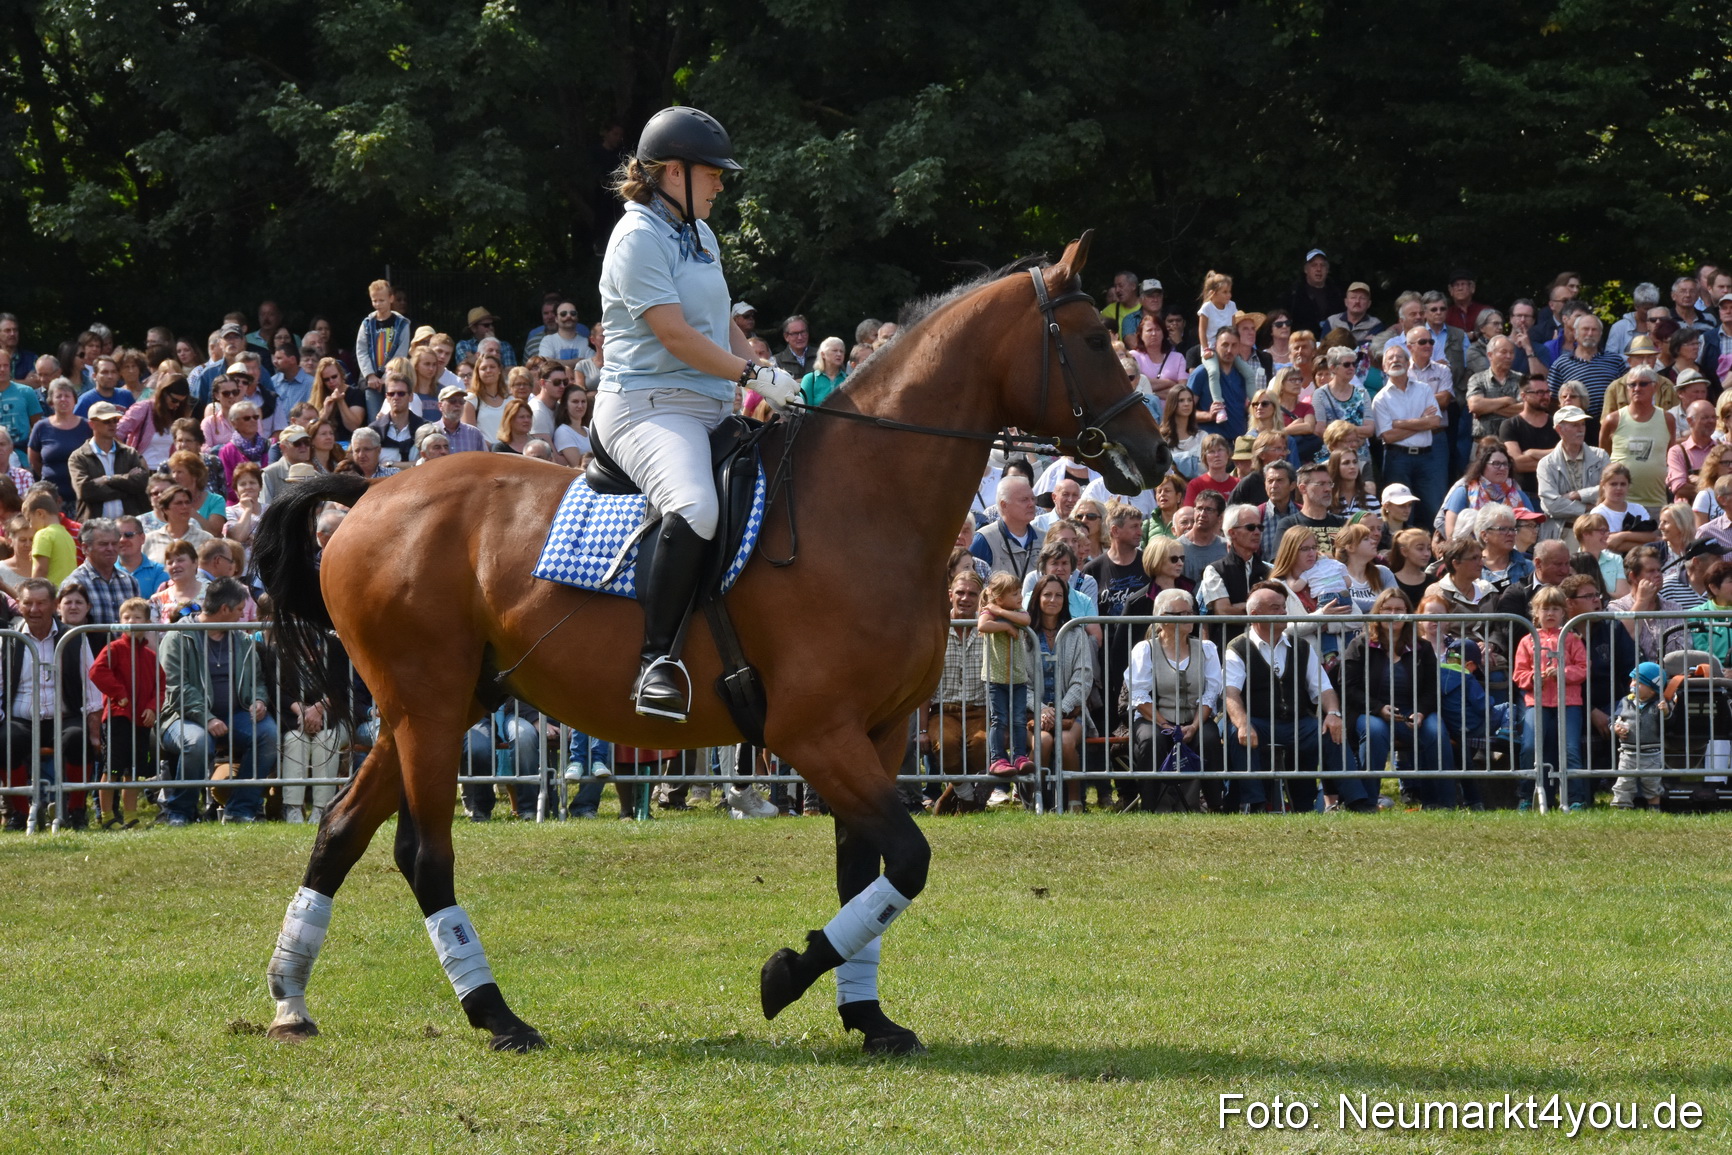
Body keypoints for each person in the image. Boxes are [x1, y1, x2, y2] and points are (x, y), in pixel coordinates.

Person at [593, 106, 799, 721]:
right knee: (695, 506)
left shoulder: (700, 235)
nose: (721, 183)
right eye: (712, 173)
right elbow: (677, 336)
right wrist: (751, 374)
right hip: (645, 407)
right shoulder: (636, 238)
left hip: (711, 405)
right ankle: (656, 660)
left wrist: (768, 382)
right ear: (673, 173)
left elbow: (722, 328)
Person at [1221, 584, 1364, 813]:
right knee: (1235, 732)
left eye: (1283, 607)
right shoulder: (1237, 648)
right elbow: (1231, 693)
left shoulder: (1301, 646)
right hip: (1258, 721)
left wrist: (1334, 714)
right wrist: (1242, 723)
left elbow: (1324, 689)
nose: (1283, 613)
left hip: (1298, 723)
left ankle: (1358, 801)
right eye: (1275, 608)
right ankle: (1255, 802)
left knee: (1332, 730)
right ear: (1255, 615)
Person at [157, 577, 276, 824]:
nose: (243, 617)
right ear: (225, 609)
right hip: (182, 717)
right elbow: (177, 687)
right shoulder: (179, 637)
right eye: (240, 610)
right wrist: (207, 718)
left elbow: (258, 681)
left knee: (269, 735)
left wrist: (259, 700)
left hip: (236, 715)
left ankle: (241, 809)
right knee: (198, 741)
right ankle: (180, 812)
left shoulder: (243, 641)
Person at [0, 579, 100, 830]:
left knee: (79, 739)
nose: (34, 609)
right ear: (19, 605)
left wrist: (94, 724)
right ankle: (21, 814)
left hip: (64, 716)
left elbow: (91, 683)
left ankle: (77, 810)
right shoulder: (8, 639)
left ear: (54, 604)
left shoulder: (73, 637)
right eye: (28, 603)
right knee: (4, 741)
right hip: (20, 717)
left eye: (41, 603)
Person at [1343, 588, 1450, 808]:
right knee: (1375, 731)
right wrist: (1378, 708)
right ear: (1378, 612)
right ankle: (1366, 802)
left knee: (1435, 731)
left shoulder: (1423, 647)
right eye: (1388, 609)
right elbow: (1348, 686)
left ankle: (1440, 802)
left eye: (1399, 609)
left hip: (1414, 711)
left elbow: (1432, 688)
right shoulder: (1360, 645)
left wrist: (1421, 711)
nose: (1393, 614)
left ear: (1408, 613)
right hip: (1372, 712)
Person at [1127, 587, 1223, 813]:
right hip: (1154, 719)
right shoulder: (1145, 649)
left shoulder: (1206, 649)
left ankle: (1215, 805)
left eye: (1191, 613)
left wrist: (1195, 726)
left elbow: (1210, 693)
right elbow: (1139, 696)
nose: (1189, 618)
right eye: (1182, 615)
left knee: (1208, 739)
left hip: (1194, 718)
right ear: (1162, 619)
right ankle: (1151, 807)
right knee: (1152, 741)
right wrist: (1166, 725)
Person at [87, 596, 162, 829]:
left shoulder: (150, 656)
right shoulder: (114, 648)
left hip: (141, 721)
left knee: (133, 772)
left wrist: (152, 707)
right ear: (119, 621)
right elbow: (96, 671)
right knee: (112, 770)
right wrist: (118, 693)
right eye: (126, 617)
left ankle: (131, 816)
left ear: (148, 623)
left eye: (137, 617)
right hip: (118, 718)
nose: (131, 621)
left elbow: (160, 685)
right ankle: (107, 816)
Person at [1512, 585, 1588, 810]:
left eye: (1556, 608)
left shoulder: (1572, 639)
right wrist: (1535, 678)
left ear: (1563, 612)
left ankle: (1576, 799)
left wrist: (1563, 673)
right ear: (1535, 612)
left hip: (1569, 702)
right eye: (1545, 609)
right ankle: (1527, 796)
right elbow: (1519, 674)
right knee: (1529, 748)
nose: (1550, 614)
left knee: (1571, 750)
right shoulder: (1527, 641)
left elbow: (1583, 668)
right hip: (1536, 702)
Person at [924, 570, 991, 814]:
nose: (965, 598)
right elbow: (924, 687)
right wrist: (922, 730)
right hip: (944, 710)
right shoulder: (936, 627)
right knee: (947, 744)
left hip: (980, 710)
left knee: (983, 744)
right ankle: (970, 800)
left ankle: (958, 798)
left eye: (972, 593)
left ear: (980, 597)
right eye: (960, 593)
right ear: (950, 595)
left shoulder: (989, 629)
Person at [1025, 574, 1093, 810]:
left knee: (1064, 741)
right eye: (1047, 594)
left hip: (1071, 713)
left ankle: (1074, 802)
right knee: (1042, 741)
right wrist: (1042, 710)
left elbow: (1082, 679)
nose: (1053, 599)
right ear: (1037, 598)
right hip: (1032, 714)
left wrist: (1060, 710)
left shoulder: (1076, 633)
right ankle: (1038, 799)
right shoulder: (1025, 636)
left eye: (1059, 595)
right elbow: (1021, 683)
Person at [1370, 342, 1446, 528]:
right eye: (1390, 359)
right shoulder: (1380, 399)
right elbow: (1388, 436)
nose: (1395, 360)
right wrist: (1422, 422)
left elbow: (1435, 422)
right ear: (1384, 367)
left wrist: (1399, 423)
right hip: (1397, 459)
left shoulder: (1424, 389)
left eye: (1400, 357)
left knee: (1434, 510)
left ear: (1408, 362)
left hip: (1427, 458)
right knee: (1400, 514)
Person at [976, 572, 1033, 778]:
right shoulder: (989, 613)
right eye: (1015, 593)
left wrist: (1001, 611)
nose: (1020, 596)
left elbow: (1026, 620)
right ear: (999, 597)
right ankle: (997, 758)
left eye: (1019, 592)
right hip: (995, 678)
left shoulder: (1015, 610)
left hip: (1018, 678)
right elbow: (982, 625)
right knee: (998, 719)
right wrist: (1005, 626)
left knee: (1019, 719)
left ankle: (1019, 756)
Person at [1598, 367, 1676, 509]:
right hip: (1620, 504)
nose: (1637, 388)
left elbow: (1669, 456)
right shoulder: (1613, 419)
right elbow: (1604, 456)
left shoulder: (1667, 419)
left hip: (1656, 502)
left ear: (1655, 386)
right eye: (1632, 385)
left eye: (1643, 384)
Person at [67, 401, 152, 522]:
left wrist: (108, 479)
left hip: (130, 527)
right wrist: (127, 487)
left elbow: (141, 484)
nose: (112, 425)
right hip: (96, 529)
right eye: (106, 421)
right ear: (92, 424)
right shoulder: (78, 457)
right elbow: (85, 491)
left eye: (115, 420)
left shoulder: (130, 453)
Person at [1536, 406, 1607, 549]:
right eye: (1574, 425)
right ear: (1559, 429)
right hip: (1562, 533)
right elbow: (1551, 505)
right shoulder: (1546, 464)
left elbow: (1607, 490)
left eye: (1582, 424)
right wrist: (1589, 507)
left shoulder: (1600, 456)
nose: (1580, 429)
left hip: (1596, 533)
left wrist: (1578, 495)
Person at [67, 518, 139, 648]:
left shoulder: (130, 582)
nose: (110, 549)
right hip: (91, 661)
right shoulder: (75, 583)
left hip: (127, 660)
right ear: (85, 548)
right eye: (103, 544)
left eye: (114, 543)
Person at [1610, 662, 1669, 810]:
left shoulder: (1659, 704)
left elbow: (1670, 724)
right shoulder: (1625, 701)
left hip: (1651, 754)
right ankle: (1621, 807)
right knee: (1624, 783)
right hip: (1628, 753)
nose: (1633, 684)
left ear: (1653, 689)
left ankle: (1654, 808)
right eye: (1632, 680)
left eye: (1639, 682)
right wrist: (1615, 728)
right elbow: (1613, 719)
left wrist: (1666, 713)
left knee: (1652, 783)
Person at [28, 378, 91, 505]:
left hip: (82, 497)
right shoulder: (41, 427)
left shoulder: (87, 426)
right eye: (58, 396)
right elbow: (34, 460)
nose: (63, 399)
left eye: (67, 396)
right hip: (52, 499)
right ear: (51, 402)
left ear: (74, 400)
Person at [1500, 370, 1560, 504]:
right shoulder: (1510, 425)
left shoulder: (1557, 424)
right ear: (1524, 396)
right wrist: (1555, 457)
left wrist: (1532, 453)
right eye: (1539, 392)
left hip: (1555, 495)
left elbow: (1567, 458)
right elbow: (1517, 464)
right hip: (1524, 496)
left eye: (1547, 392)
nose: (1545, 396)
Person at [1547, 315, 1622, 419]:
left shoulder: (1616, 361)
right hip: (1575, 425)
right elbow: (1552, 400)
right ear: (1575, 333)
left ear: (1600, 334)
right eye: (1585, 329)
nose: (1590, 333)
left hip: (1611, 424)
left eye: (1594, 330)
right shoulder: (1561, 364)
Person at [1188, 328, 1253, 442]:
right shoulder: (1202, 373)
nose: (1229, 350)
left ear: (1239, 347)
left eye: (1234, 345)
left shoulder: (1244, 375)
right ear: (1215, 346)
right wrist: (1208, 415)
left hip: (1240, 444)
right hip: (1211, 445)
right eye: (1225, 345)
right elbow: (1183, 412)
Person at [116, 373, 192, 469]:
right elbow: (116, 434)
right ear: (163, 393)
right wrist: (133, 456)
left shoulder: (177, 415)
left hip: (168, 473)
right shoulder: (143, 408)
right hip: (141, 471)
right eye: (174, 400)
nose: (177, 405)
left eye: (181, 402)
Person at [799, 336, 847, 406]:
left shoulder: (848, 379)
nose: (839, 354)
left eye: (841, 351)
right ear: (823, 354)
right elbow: (805, 410)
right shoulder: (810, 379)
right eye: (835, 350)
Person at [552, 386, 593, 467]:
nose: (580, 406)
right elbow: (577, 464)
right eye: (575, 402)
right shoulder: (563, 432)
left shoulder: (588, 430)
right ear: (566, 405)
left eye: (583, 401)